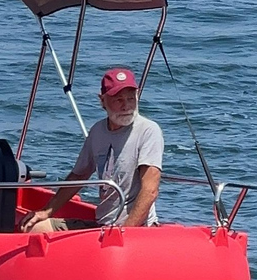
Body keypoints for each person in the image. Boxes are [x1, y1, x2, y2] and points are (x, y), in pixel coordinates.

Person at [20, 67, 163, 233]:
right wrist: (46, 211)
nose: (127, 106)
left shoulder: (148, 130)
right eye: (119, 100)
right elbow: (79, 175)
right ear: (102, 101)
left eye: (131, 99)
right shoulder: (97, 131)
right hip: (103, 224)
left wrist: (125, 231)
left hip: (135, 229)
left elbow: (150, 190)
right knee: (34, 228)